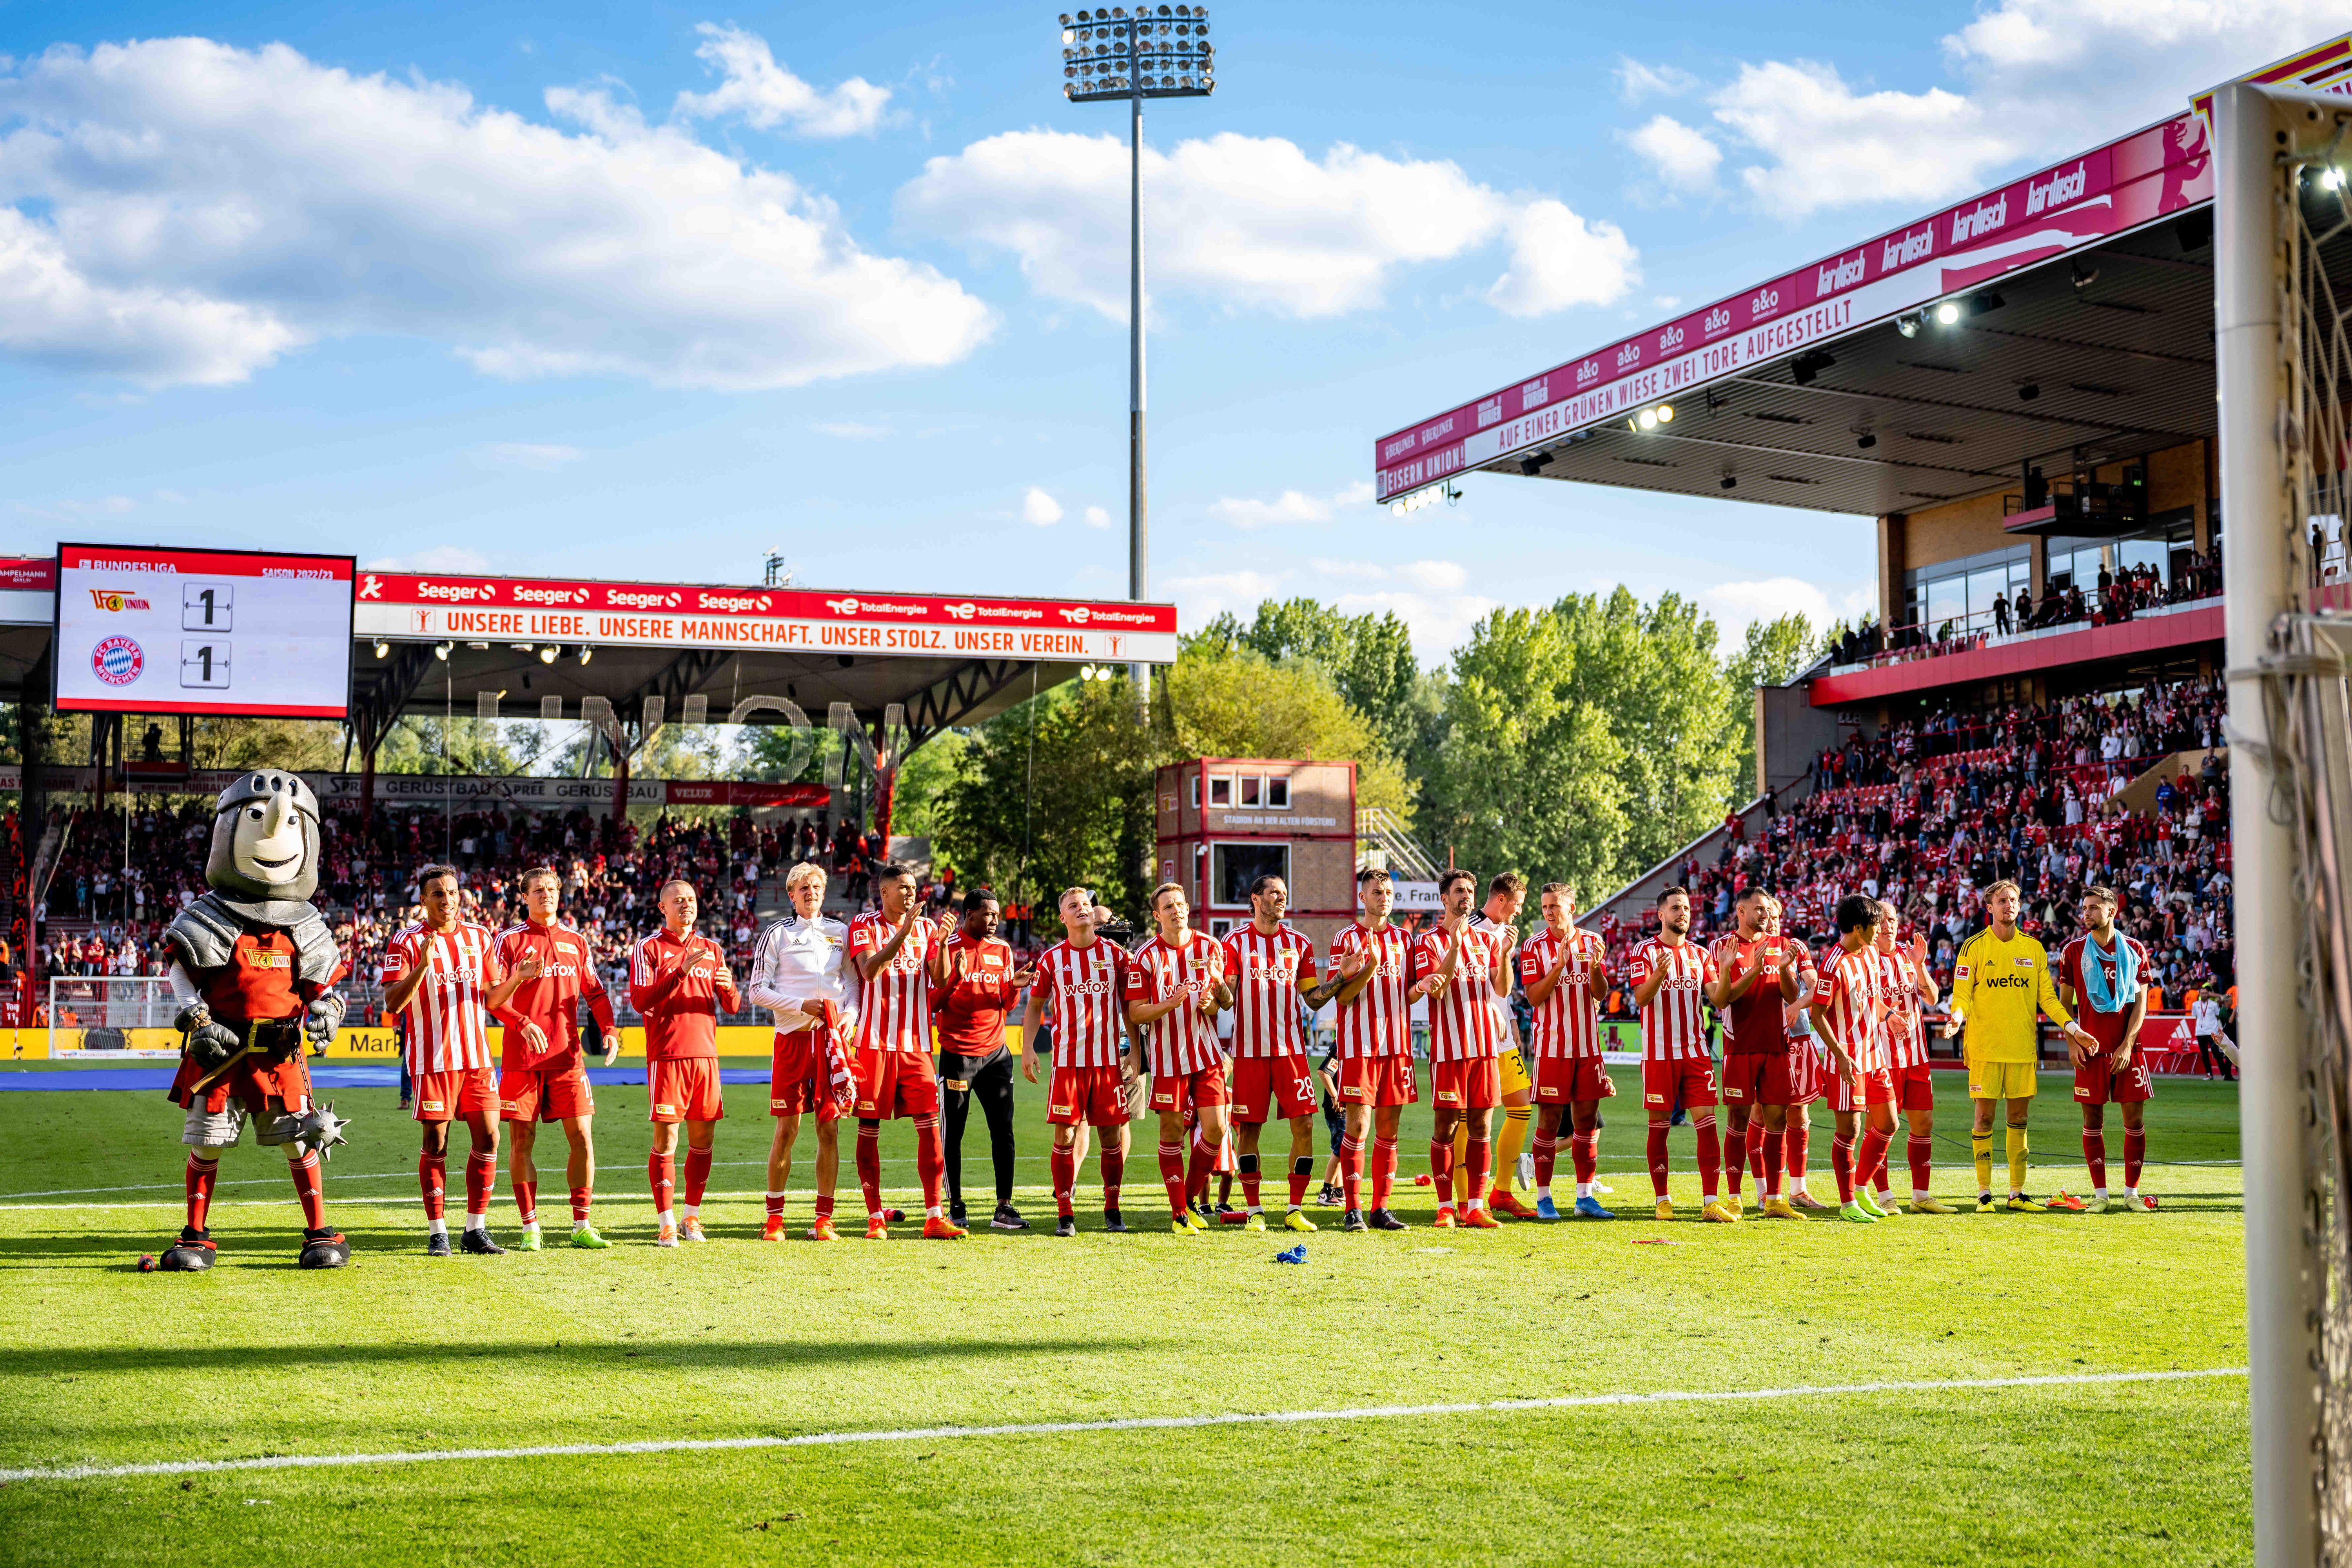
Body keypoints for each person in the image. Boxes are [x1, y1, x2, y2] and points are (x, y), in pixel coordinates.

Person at [153, 770, 352, 1272]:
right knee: (206, 1142)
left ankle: (320, 1232)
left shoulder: (305, 922)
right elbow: (180, 969)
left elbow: (323, 987)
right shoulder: (208, 914)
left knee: (300, 1140)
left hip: (281, 1055)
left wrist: (329, 1011)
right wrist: (198, 1018)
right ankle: (196, 1236)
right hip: (221, 1050)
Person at [383, 864, 533, 1256]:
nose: (447, 899)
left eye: (452, 892)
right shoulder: (405, 939)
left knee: (489, 1137)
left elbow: (491, 998)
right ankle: (438, 1233)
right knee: (436, 1142)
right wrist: (422, 966)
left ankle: (475, 1229)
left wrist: (516, 979)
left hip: (477, 1060)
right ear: (424, 900)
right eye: (438, 893)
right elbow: (393, 1002)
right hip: (433, 1061)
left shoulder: (479, 936)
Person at [1942, 879, 2098, 1212]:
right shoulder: (1973, 947)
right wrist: (1957, 1016)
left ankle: (2017, 1194)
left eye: (2013, 900)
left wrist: (2073, 1027)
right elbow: (1962, 993)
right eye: (2002, 900)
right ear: (1990, 908)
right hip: (1985, 1047)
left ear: (2019, 905)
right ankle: (1984, 1194)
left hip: (2021, 1050)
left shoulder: (2034, 949)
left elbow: (2049, 1000)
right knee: (1984, 1119)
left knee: (2019, 1120)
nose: (2008, 905)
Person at [491, 865, 619, 1250]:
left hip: (568, 1057)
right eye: (537, 889)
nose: (545, 893)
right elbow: (493, 997)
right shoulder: (509, 940)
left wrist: (610, 1030)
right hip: (522, 1058)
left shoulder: (576, 942)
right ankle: (530, 1226)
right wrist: (520, 1021)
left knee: (582, 1136)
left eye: (551, 888)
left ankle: (582, 1223)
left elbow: (595, 993)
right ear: (524, 897)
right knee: (521, 1141)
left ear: (560, 895)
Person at [1221, 874, 1343, 1233]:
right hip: (1249, 1054)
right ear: (1256, 898)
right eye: (1274, 893)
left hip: (1290, 1052)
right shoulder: (1234, 943)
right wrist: (1218, 985)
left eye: (1284, 894)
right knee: (1248, 1132)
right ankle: (1256, 1211)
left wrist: (1340, 979)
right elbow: (1227, 997)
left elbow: (1312, 996)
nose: (1281, 898)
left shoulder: (1299, 943)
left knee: (1305, 1125)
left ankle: (1293, 1209)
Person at [847, 863, 962, 1240]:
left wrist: (943, 943)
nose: (912, 893)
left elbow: (941, 978)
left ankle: (934, 1215)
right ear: (884, 892)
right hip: (873, 1045)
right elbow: (869, 971)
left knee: (929, 1129)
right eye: (903, 888)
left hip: (917, 1047)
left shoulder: (928, 929)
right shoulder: (864, 925)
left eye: (914, 887)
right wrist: (902, 935)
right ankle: (875, 1217)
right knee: (869, 1130)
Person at [745, 861, 856, 1241]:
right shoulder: (776, 934)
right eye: (803, 887)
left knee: (829, 1128)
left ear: (824, 893)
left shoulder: (840, 932)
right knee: (787, 1129)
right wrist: (800, 1005)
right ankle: (775, 1219)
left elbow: (855, 986)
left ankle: (824, 1219)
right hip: (792, 1041)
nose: (810, 892)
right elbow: (756, 990)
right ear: (791, 895)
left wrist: (850, 1017)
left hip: (829, 1043)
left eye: (816, 887)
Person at [629, 879, 740, 1247]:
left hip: (706, 1056)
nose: (686, 905)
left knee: (703, 1140)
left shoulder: (712, 949)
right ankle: (666, 1222)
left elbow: (733, 1007)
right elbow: (640, 999)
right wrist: (678, 972)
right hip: (668, 1056)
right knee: (667, 1140)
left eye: (691, 900)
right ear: (663, 907)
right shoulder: (649, 948)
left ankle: (692, 1217)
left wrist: (728, 987)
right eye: (678, 901)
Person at [1021, 886, 1135, 1236]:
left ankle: (1112, 1209)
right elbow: (1035, 1006)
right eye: (1074, 906)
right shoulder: (1052, 959)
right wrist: (1027, 1049)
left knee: (1111, 1136)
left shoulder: (1116, 955)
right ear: (1063, 917)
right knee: (1066, 1134)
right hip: (1068, 1064)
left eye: (1086, 904)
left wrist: (1135, 1049)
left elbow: (1128, 1005)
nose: (1082, 909)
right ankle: (1065, 1213)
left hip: (1107, 1063)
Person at [1123, 882, 1235, 1233]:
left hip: (1207, 1057)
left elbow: (1227, 1003)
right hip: (1169, 1060)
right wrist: (1171, 1004)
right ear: (1158, 915)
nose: (1177, 910)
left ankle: (1186, 1201)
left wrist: (1215, 997)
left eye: (1181, 904)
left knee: (1216, 1130)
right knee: (1172, 1132)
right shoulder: (1147, 957)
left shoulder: (1210, 947)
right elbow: (1137, 1013)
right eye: (1169, 906)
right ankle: (1179, 1214)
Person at [1327, 867, 1430, 1232]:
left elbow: (1410, 991)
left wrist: (1426, 985)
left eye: (1387, 892)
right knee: (1358, 1126)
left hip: (1398, 1048)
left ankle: (1380, 1209)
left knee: (1389, 1131)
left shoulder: (1406, 939)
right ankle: (1351, 1209)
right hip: (1359, 1047)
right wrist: (1368, 968)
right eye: (1376, 892)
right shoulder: (1345, 938)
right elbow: (1342, 996)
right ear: (1362, 897)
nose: (1383, 897)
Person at [934, 888, 1037, 1231]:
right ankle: (956, 1205)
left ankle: (1004, 1208)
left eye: (996, 914)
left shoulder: (1004, 950)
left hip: (997, 1055)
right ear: (969, 916)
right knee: (954, 1133)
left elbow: (1006, 1004)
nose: (995, 920)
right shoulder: (947, 947)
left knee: (1003, 1131)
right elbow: (934, 1001)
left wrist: (1017, 986)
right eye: (988, 914)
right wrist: (956, 979)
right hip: (958, 1055)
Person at [1412, 869, 1510, 1229]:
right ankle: (1445, 1207)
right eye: (1458, 891)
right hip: (1449, 1049)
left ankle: (1475, 1206)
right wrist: (1454, 947)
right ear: (1444, 899)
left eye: (1470, 891)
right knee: (1447, 1127)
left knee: (1483, 1125)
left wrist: (1507, 956)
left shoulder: (1486, 942)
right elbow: (1436, 989)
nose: (1466, 896)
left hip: (1485, 1047)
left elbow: (1500, 989)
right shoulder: (1429, 941)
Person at [1628, 887, 1730, 1223]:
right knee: (1659, 1127)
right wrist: (1659, 972)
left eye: (1685, 908)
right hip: (1658, 1055)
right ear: (1661, 915)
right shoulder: (1644, 951)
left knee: (1707, 1124)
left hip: (1696, 1053)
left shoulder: (1701, 955)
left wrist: (1727, 969)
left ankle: (1711, 1201)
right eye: (1675, 908)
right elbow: (1641, 999)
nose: (1682, 913)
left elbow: (1718, 998)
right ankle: (1663, 1200)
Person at [2056, 886, 2156, 1213]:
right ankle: (2100, 1196)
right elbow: (2063, 1004)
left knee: (2134, 1120)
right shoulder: (2072, 952)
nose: (2086, 913)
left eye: (2094, 908)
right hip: (2090, 1051)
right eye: (2085, 908)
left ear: (2112, 912)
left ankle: (2131, 1194)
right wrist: (2072, 1041)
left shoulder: (2135, 949)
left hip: (2129, 1050)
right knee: (2092, 1121)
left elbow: (2141, 1002)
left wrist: (2128, 1044)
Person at [1708, 889, 1806, 1221]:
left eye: (1767, 909)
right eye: (1758, 909)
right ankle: (1735, 1197)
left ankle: (1776, 1199)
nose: (1765, 914)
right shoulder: (1724, 947)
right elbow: (1723, 1000)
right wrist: (1756, 968)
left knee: (1777, 1121)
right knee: (1737, 1120)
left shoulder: (1781, 944)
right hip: (1740, 1049)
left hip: (1776, 1048)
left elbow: (1791, 996)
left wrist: (1783, 970)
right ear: (1741, 910)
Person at [1519, 882, 1613, 1220]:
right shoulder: (1533, 947)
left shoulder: (1592, 942)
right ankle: (1544, 1199)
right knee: (1549, 1121)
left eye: (1555, 906)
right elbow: (1533, 998)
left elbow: (1600, 993)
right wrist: (1558, 967)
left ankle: (1584, 1197)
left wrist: (1595, 968)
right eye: (1545, 907)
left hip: (1588, 1048)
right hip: (1552, 1048)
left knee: (1586, 1122)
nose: (1549, 912)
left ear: (1572, 908)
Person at [1807, 894, 1895, 1224]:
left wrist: (1888, 1017)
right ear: (1858, 928)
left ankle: (1860, 1190)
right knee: (1851, 1131)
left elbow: (1870, 1003)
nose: (1881, 930)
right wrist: (1841, 1055)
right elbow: (1818, 1015)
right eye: (1875, 925)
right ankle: (1847, 1204)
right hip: (1847, 1060)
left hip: (1874, 1056)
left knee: (1888, 1123)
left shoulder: (1870, 954)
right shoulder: (1833, 965)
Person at [1459, 872, 1539, 1220]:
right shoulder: (1470, 927)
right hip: (1474, 1038)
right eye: (1518, 904)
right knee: (1470, 1119)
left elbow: (1501, 988)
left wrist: (1510, 1025)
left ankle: (1501, 1191)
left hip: (1503, 1038)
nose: (1519, 912)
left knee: (1522, 1105)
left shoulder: (1504, 933)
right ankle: (1463, 1202)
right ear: (1502, 900)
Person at [1871, 900, 1947, 1214]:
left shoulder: (1908, 954)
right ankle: (1884, 1195)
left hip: (1915, 1055)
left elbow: (1932, 997)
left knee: (1924, 1123)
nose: (1889, 924)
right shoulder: (1864, 957)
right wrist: (1889, 1015)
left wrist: (1919, 966)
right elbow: (1864, 1000)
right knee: (1882, 1127)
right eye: (1883, 919)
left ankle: (1920, 1195)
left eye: (1893, 919)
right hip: (1880, 1056)